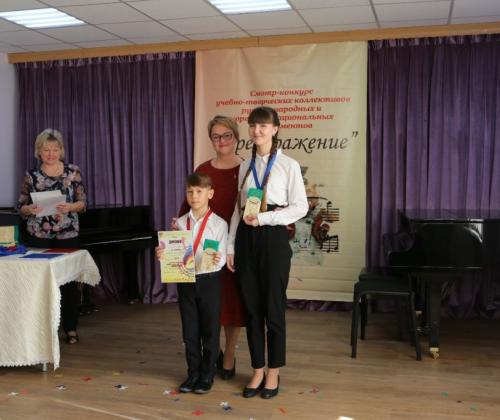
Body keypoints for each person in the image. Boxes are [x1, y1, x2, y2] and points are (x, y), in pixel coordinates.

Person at [227, 106, 308, 399]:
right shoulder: (244, 167)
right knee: (251, 309)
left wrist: (265, 218)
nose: (256, 130)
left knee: (273, 309)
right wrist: (230, 246)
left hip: (273, 237)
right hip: (246, 239)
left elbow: (300, 207)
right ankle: (257, 369)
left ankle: (274, 370)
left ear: (275, 129)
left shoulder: (288, 165)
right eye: (252, 125)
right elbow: (238, 210)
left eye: (263, 125)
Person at [178, 115, 245, 380]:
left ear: (236, 136)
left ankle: (228, 355)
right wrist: (176, 236)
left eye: (226, 135)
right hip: (207, 246)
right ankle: (210, 353)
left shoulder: (246, 168)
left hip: (237, 243)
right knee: (211, 304)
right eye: (216, 136)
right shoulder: (204, 168)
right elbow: (187, 208)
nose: (222, 141)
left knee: (234, 303)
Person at [158, 173, 228, 394]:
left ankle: (207, 375)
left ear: (210, 194)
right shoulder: (179, 223)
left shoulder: (219, 224)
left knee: (210, 330)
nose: (194, 196)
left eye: (199, 191)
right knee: (190, 331)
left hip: (210, 281)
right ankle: (193, 373)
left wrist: (219, 259)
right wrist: (163, 253)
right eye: (190, 191)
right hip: (185, 281)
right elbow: (175, 253)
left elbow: (222, 256)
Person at [17, 128, 87, 345]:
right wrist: (29, 209)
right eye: (46, 150)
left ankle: (71, 327)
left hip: (68, 234)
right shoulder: (31, 175)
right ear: (39, 151)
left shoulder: (73, 171)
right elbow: (21, 206)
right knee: (40, 283)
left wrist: (70, 207)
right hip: (38, 235)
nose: (50, 154)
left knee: (69, 282)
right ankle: (43, 329)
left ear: (61, 151)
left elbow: (83, 203)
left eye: (54, 149)